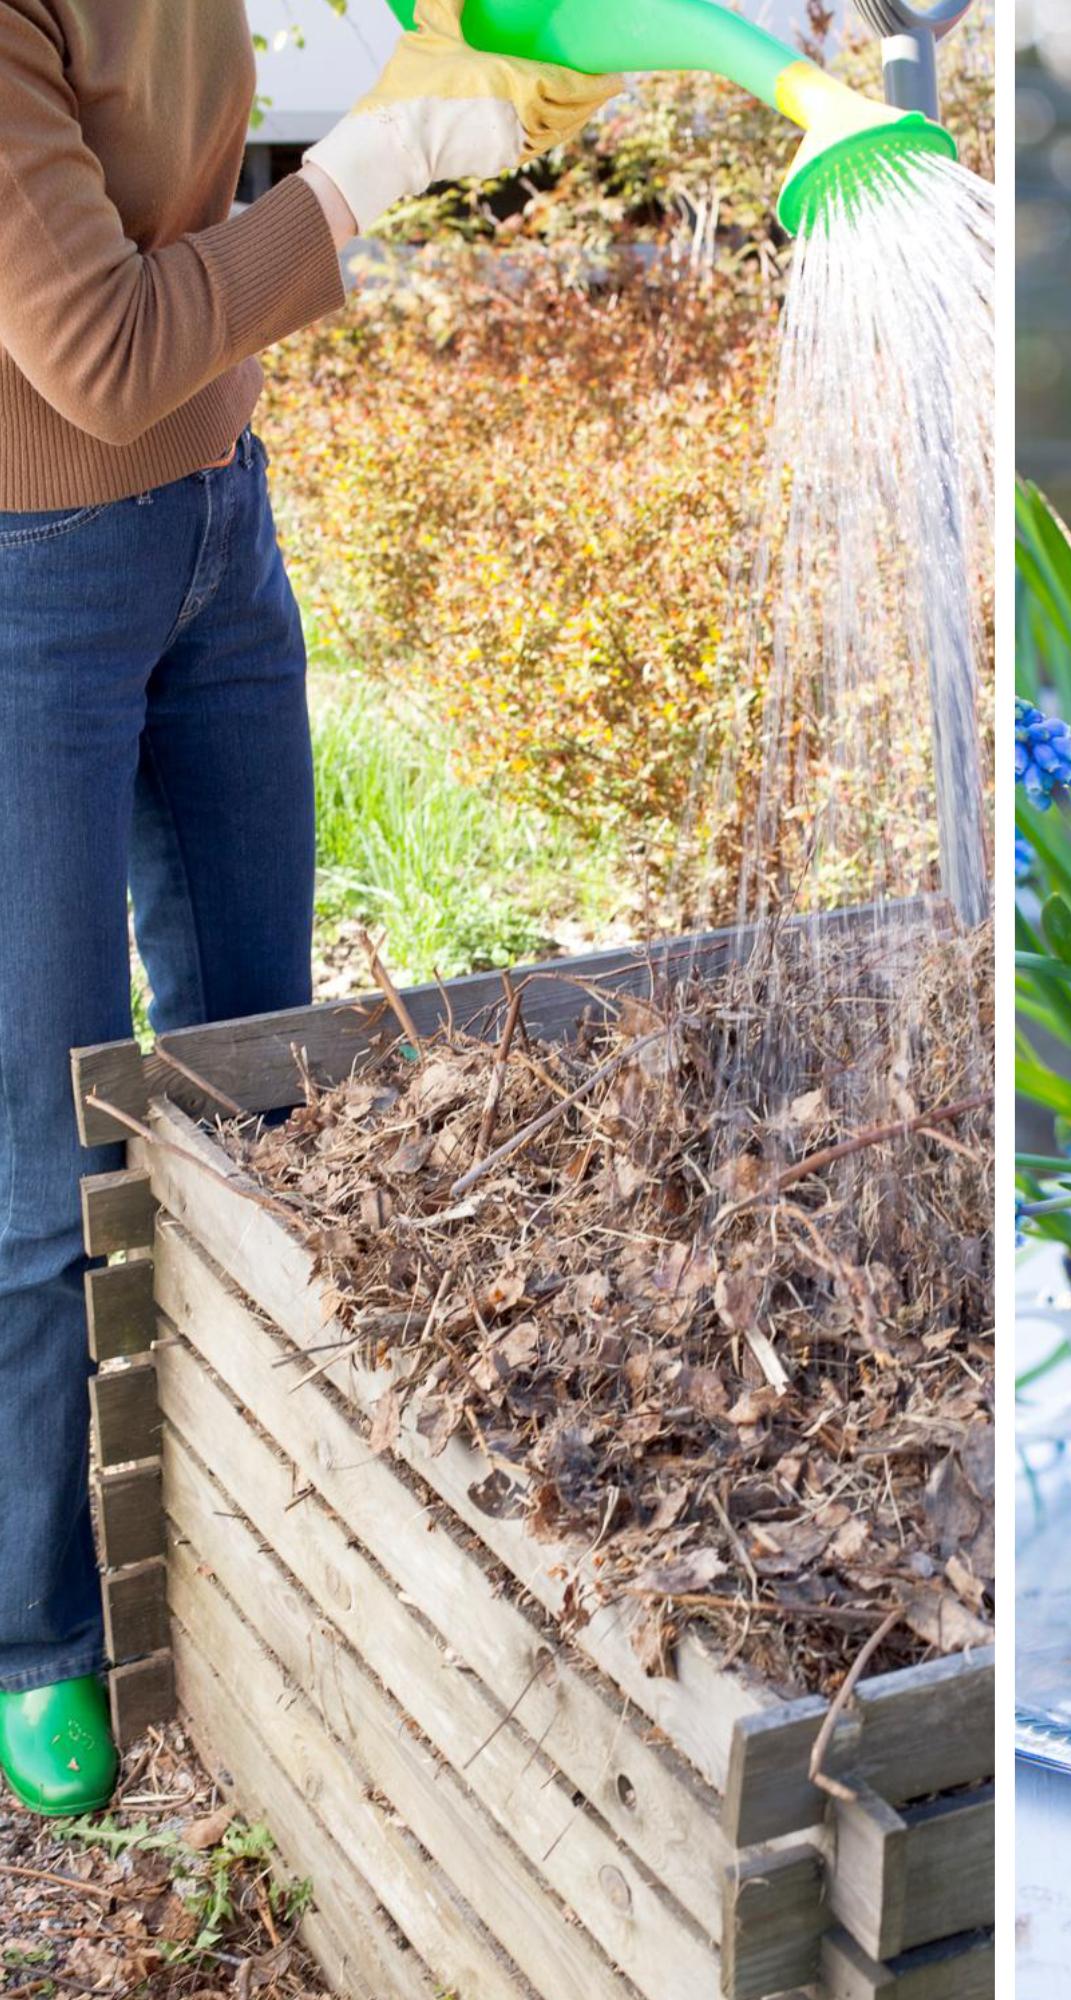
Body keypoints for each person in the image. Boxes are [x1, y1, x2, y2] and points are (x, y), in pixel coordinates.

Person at [0, 0, 614, 1818]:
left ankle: (251, 1516)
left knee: (263, 1074)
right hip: (27, 582)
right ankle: (37, 1631)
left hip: (217, 524)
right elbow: (101, 352)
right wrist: (383, 159)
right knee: (43, 1142)